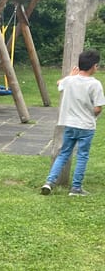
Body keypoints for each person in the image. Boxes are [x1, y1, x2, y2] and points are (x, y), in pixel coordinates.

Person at [41, 49, 104, 197]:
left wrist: (70, 75)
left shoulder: (70, 80)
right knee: (82, 156)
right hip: (86, 126)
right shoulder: (95, 84)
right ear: (94, 66)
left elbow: (59, 83)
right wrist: (93, 114)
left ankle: (49, 182)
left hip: (69, 124)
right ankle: (76, 188)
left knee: (63, 154)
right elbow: (98, 108)